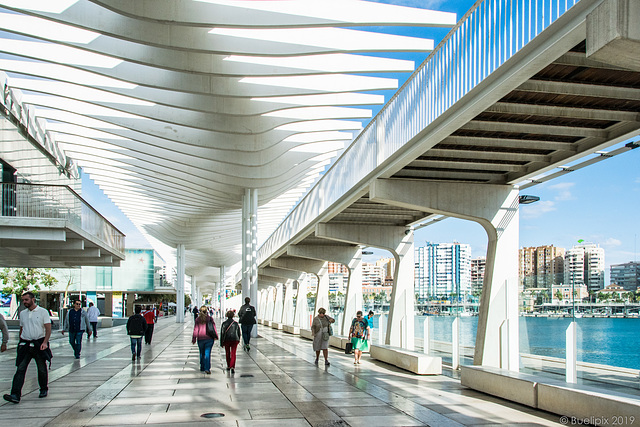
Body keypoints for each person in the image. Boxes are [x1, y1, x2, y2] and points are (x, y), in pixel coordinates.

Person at [3, 292, 52, 403]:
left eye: (26, 300)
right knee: (20, 369)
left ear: (33, 299)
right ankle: (15, 394)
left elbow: (48, 329)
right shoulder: (23, 313)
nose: (24, 302)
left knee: (41, 368)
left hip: (38, 344)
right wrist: (20, 342)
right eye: (23, 300)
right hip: (25, 344)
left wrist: (45, 342)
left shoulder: (43, 312)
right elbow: (22, 328)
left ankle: (43, 389)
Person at [192, 306, 217, 374]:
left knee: (201, 353)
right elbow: (213, 327)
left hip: (200, 339)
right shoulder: (210, 318)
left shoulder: (197, 319)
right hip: (209, 338)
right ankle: (207, 368)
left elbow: (196, 329)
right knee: (207, 353)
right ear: (207, 311)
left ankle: (202, 367)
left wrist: (194, 338)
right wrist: (216, 336)